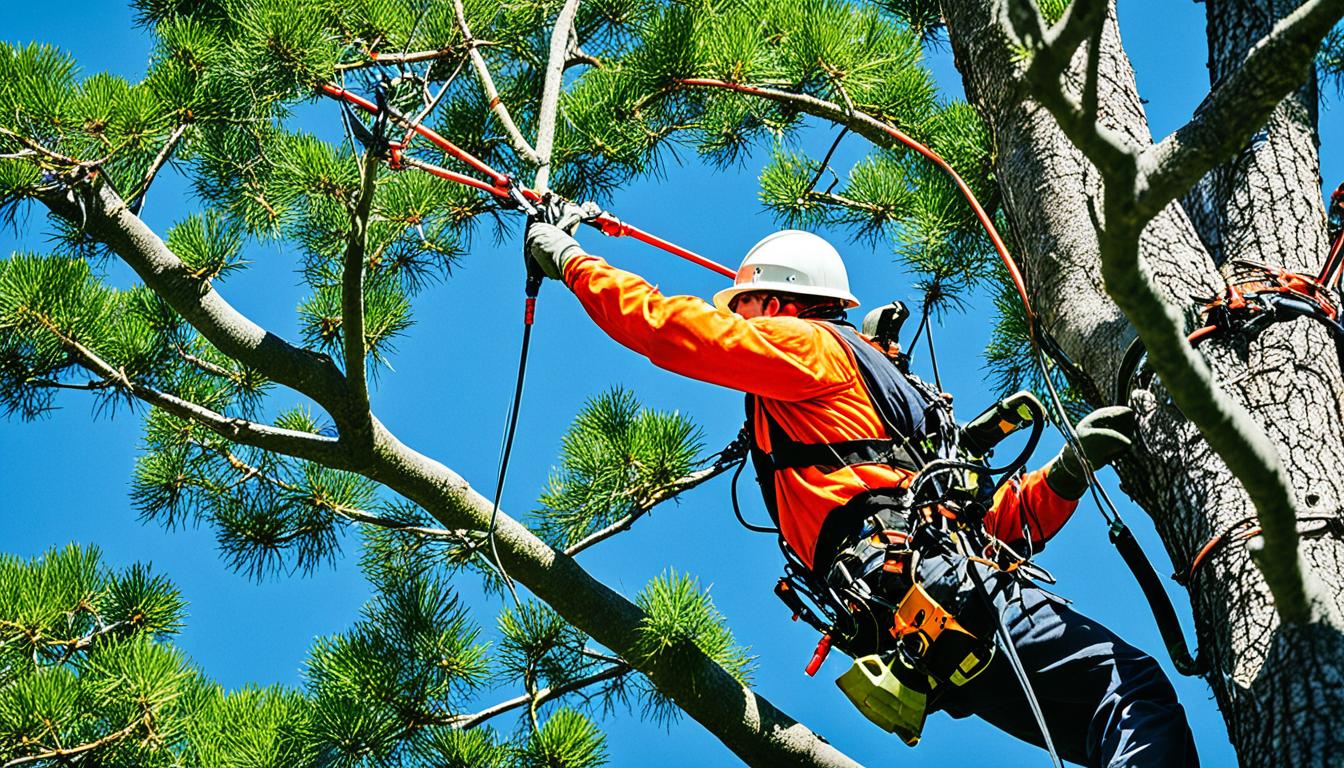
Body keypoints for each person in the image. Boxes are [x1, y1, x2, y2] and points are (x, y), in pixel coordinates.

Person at [526, 210, 1199, 767]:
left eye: (748, 306)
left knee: (1108, 721)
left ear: (781, 302)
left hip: (927, 609)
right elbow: (673, 331)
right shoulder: (834, 378)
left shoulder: (813, 352)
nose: (743, 321)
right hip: (930, 601)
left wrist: (1062, 479)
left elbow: (979, 529)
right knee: (1129, 695)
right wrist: (573, 259)